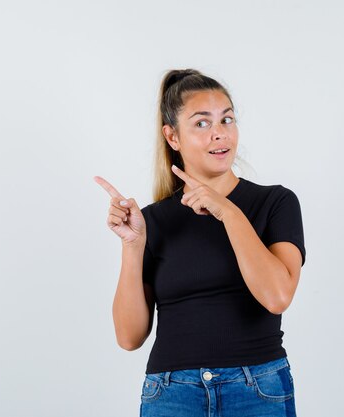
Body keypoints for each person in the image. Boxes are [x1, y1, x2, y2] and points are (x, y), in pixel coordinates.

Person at [94, 68, 306, 417]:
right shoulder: (153, 221)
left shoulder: (276, 203)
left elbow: (277, 296)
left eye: (227, 120)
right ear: (172, 137)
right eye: (202, 124)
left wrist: (229, 212)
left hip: (257, 390)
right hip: (172, 394)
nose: (219, 134)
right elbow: (129, 337)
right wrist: (132, 247)